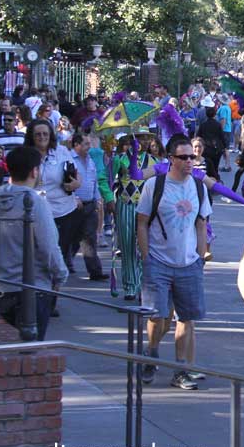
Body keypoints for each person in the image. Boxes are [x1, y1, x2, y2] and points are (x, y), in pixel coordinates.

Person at [136, 134, 212, 390]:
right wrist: (147, 256)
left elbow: (202, 225)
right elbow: (142, 223)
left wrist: (200, 258)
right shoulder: (155, 186)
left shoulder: (199, 188)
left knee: (186, 318)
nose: (190, 161)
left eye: (192, 156)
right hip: (158, 261)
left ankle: (180, 369)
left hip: (189, 263)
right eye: (183, 157)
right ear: (171, 159)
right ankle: (152, 352)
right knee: (158, 317)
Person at [0, 146, 67, 339]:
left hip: (1, 287)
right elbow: (48, 246)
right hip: (33, 289)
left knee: (7, 350)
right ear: (35, 170)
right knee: (30, 352)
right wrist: (60, 275)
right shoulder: (35, 201)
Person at [26, 119, 81, 284]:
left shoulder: (62, 151)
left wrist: (75, 184)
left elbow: (75, 175)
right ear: (31, 137)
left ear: (50, 135)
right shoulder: (27, 155)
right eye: (38, 134)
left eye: (45, 134)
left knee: (58, 256)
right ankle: (40, 296)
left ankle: (52, 300)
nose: (42, 137)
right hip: (36, 212)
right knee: (39, 255)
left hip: (62, 211)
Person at [112, 132, 159, 299]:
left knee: (145, 247)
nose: (145, 142)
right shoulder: (120, 159)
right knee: (127, 246)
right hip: (126, 205)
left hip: (146, 208)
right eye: (141, 138)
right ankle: (130, 285)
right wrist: (109, 198)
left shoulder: (154, 161)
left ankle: (143, 284)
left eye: (147, 138)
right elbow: (107, 180)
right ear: (133, 139)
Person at [69, 133, 107, 281]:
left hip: (90, 204)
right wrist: (73, 197)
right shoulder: (69, 160)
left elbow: (94, 181)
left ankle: (95, 271)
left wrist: (98, 198)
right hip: (73, 206)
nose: (89, 147)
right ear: (76, 145)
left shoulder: (90, 160)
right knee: (70, 238)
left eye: (89, 144)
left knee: (89, 238)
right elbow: (65, 182)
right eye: (85, 144)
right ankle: (64, 262)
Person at [197, 105, 225, 178]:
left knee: (207, 166)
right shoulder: (218, 125)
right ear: (215, 114)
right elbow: (222, 136)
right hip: (216, 148)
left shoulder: (203, 125)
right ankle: (215, 182)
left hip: (206, 148)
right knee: (215, 168)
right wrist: (224, 147)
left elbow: (198, 136)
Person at [216, 95, 233, 171]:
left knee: (225, 148)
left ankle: (227, 165)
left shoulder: (223, 108)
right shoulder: (228, 107)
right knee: (226, 148)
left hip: (224, 130)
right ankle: (227, 164)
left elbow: (223, 120)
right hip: (228, 129)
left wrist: (220, 130)